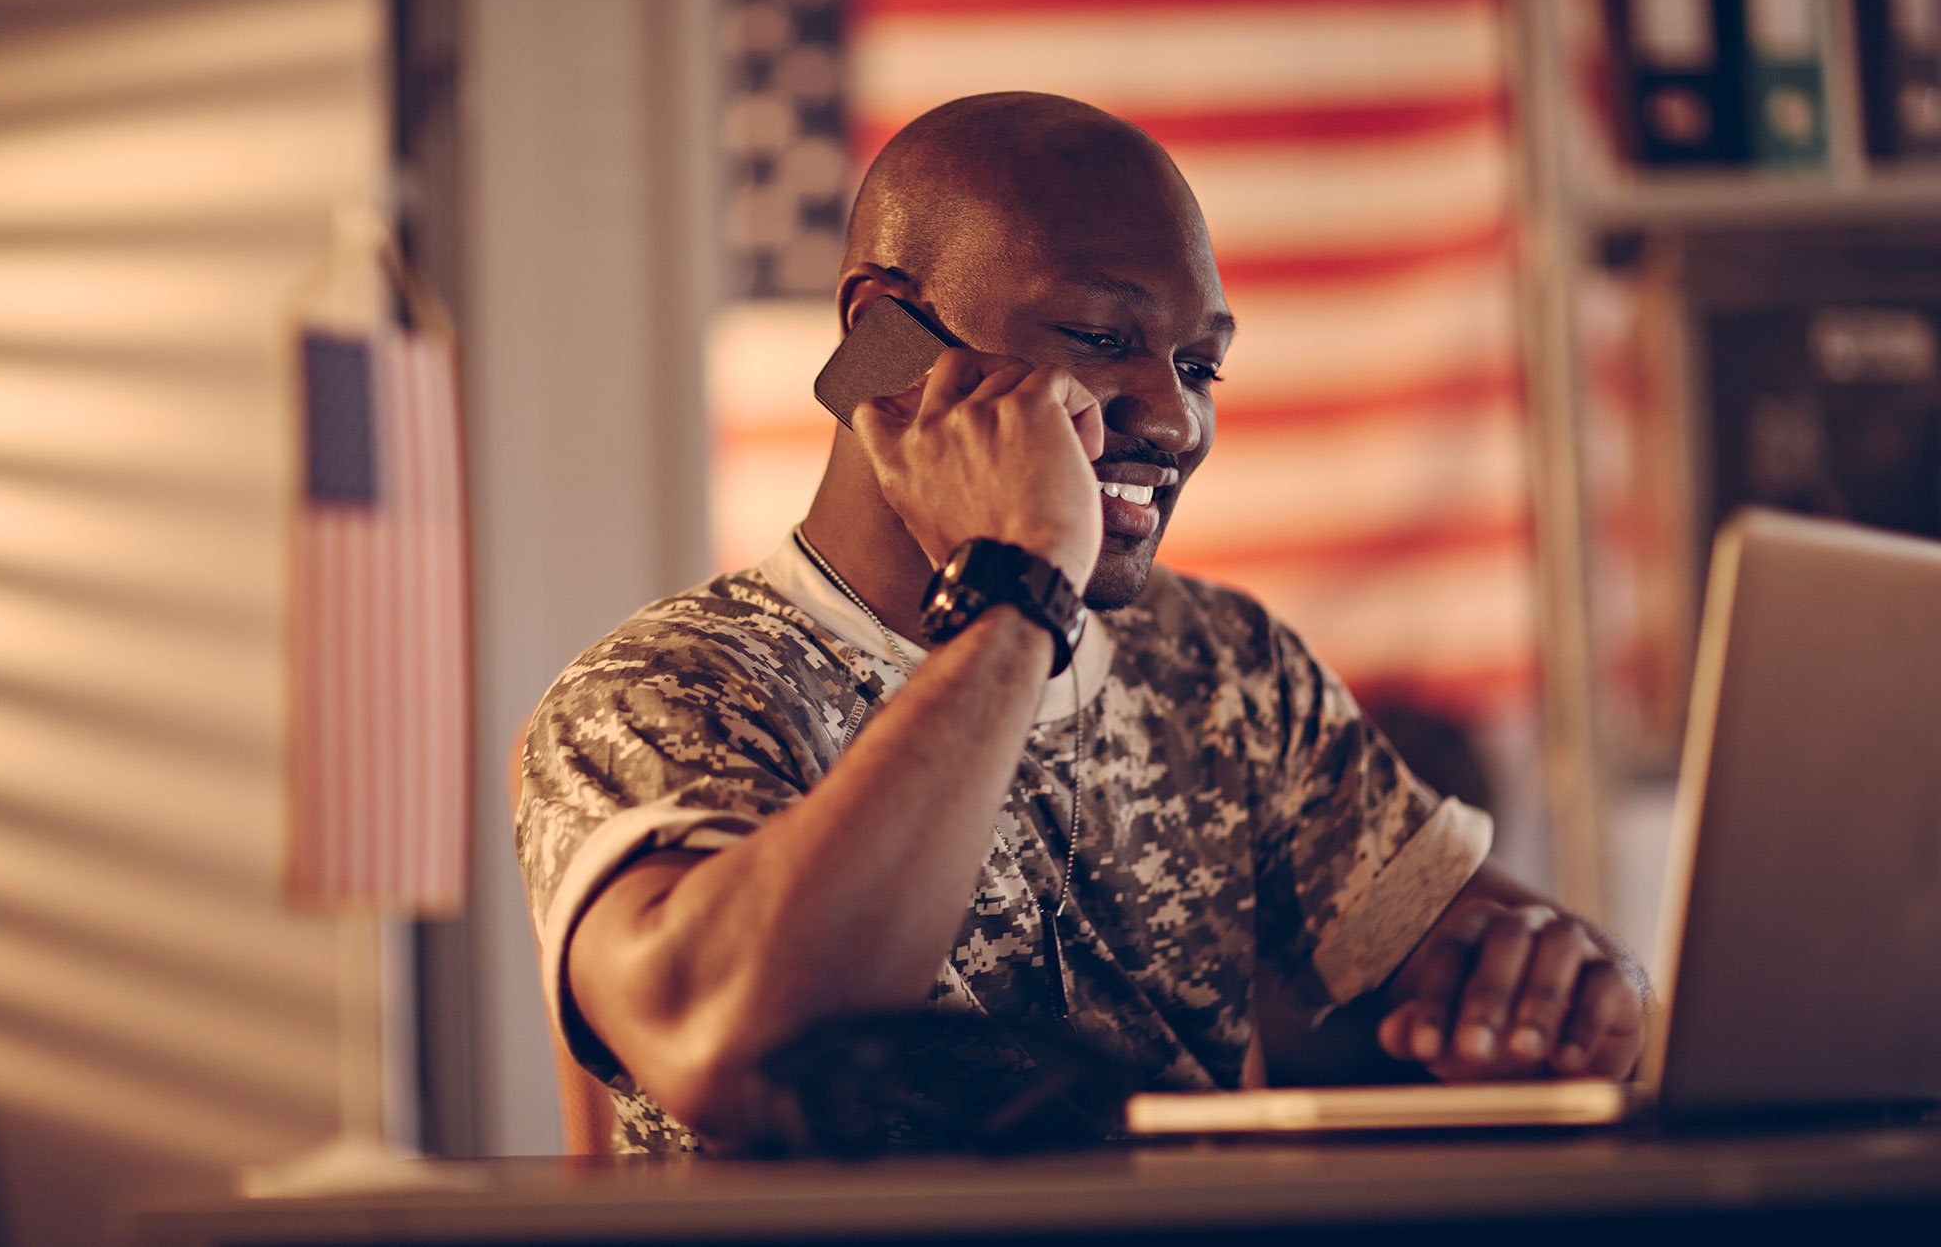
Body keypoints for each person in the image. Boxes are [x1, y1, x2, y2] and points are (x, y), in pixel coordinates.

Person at [516, 92, 1649, 1154]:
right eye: (1101, 338)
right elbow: (732, 1041)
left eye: (1198, 363)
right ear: (889, 339)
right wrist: (1016, 594)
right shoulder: (662, 691)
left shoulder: (1224, 669)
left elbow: (1571, 981)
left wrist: (1586, 994)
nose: (1175, 416)